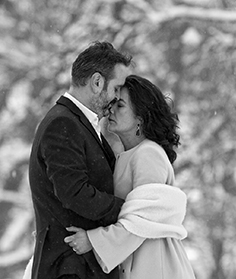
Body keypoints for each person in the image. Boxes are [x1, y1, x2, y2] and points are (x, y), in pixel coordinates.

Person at [63, 75, 196, 279]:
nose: (111, 110)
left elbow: (143, 220)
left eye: (120, 105)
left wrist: (93, 241)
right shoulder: (128, 155)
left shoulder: (148, 154)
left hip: (155, 266)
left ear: (140, 119)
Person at [28, 41, 134, 279]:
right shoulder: (62, 123)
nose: (117, 97)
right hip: (70, 269)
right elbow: (75, 193)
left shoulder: (79, 123)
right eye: (117, 88)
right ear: (97, 82)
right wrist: (128, 209)